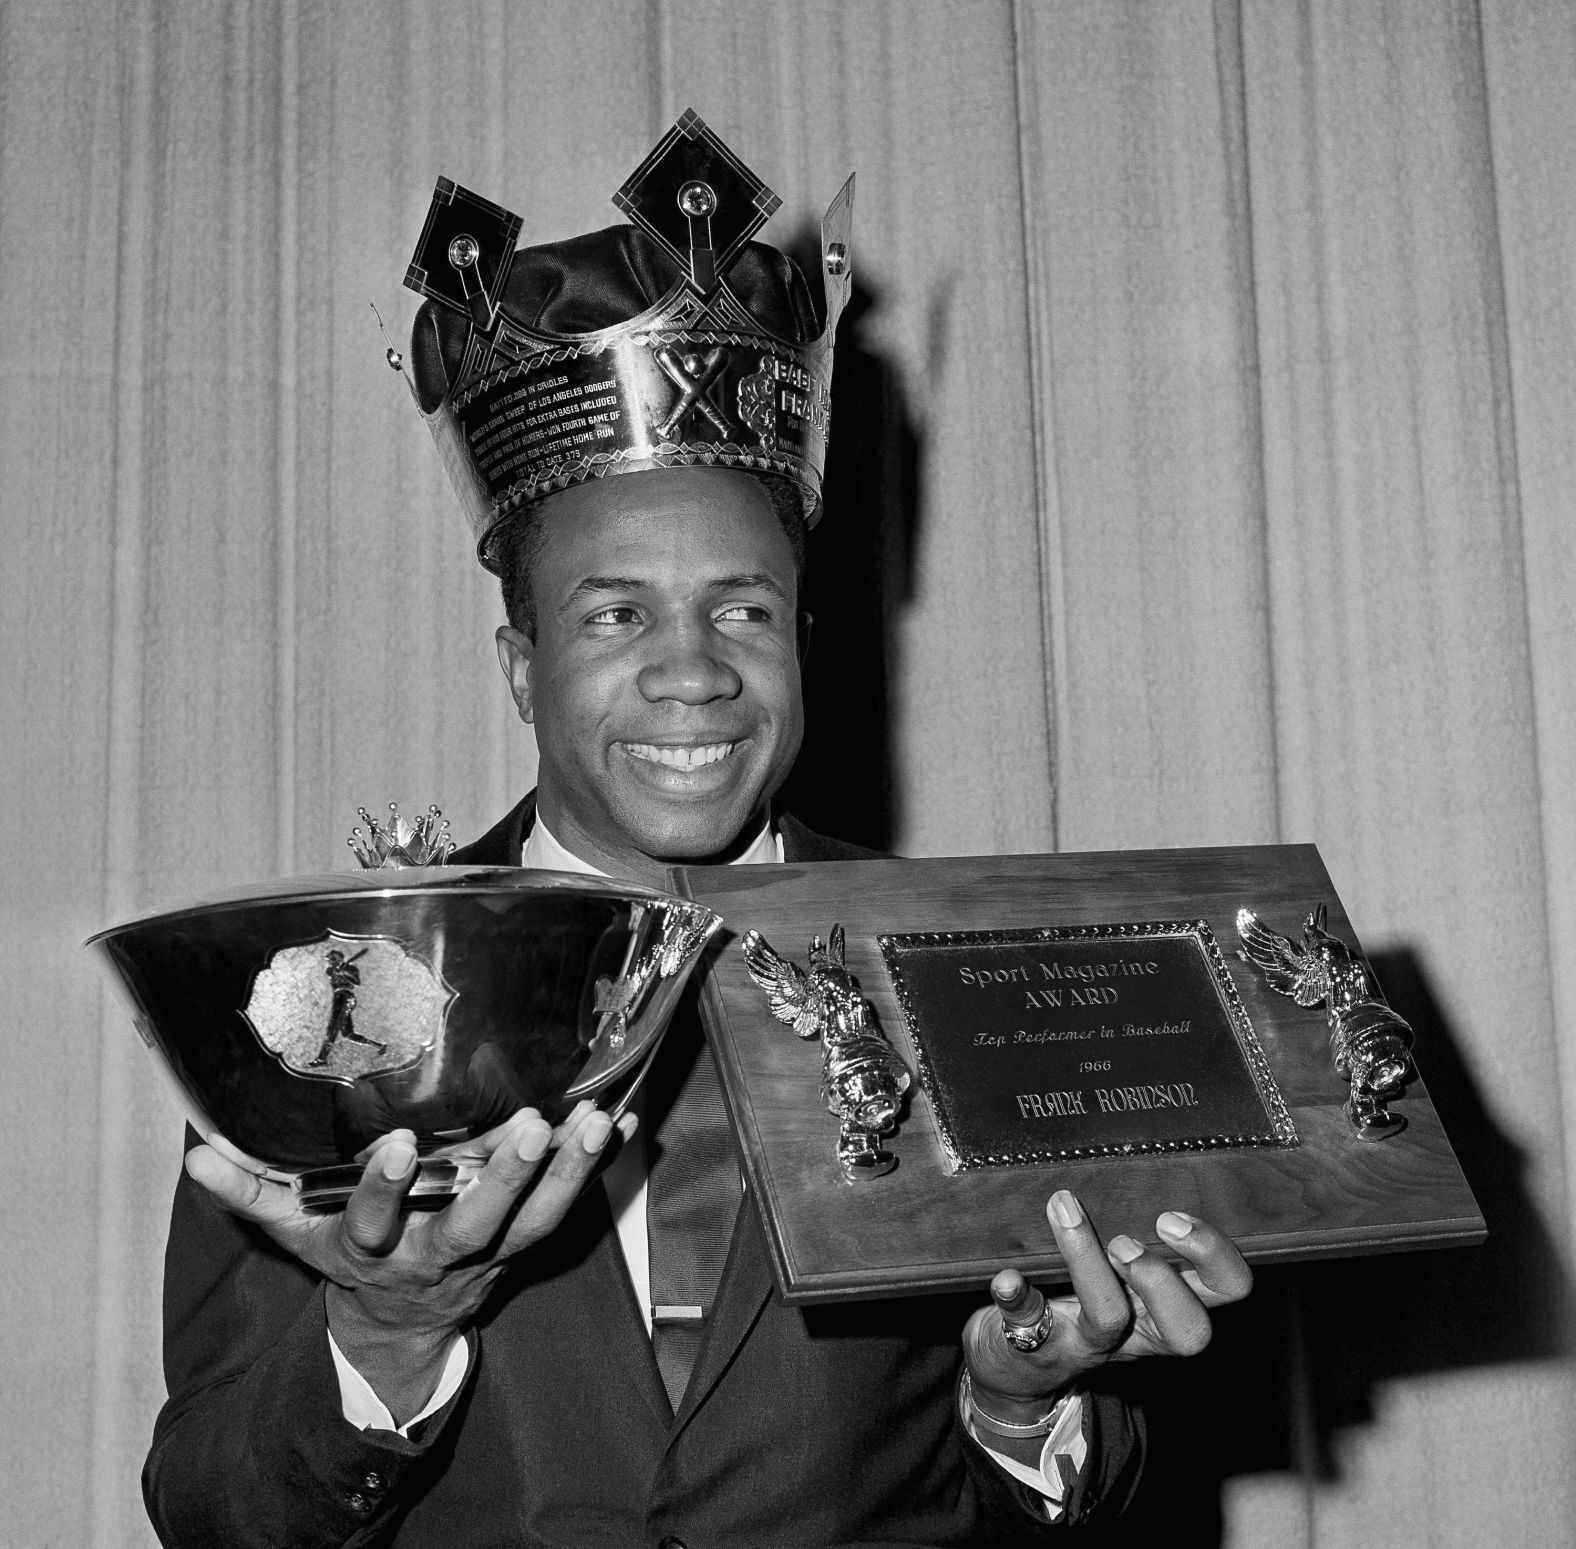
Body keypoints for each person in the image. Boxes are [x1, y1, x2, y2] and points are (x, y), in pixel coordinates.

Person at [145, 115, 1252, 1546]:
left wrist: (1022, 1405)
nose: (695, 670)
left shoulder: (993, 971)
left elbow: (1063, 1491)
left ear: (802, 637)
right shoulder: (318, 1003)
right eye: (617, 615)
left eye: (742, 608)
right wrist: (386, 1331)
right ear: (523, 666)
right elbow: (213, 1511)